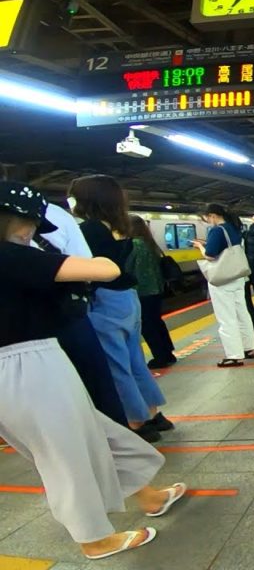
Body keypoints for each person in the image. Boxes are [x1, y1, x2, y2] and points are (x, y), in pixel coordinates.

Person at [0, 181, 186, 560]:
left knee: (94, 434)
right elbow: (104, 268)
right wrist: (53, 249)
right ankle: (93, 538)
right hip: (24, 365)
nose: (33, 232)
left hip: (33, 359)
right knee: (64, 453)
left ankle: (147, 497)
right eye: (31, 224)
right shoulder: (10, 256)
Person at [69, 175, 171, 443]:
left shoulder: (89, 229)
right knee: (135, 358)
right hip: (127, 297)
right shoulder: (118, 225)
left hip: (104, 299)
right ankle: (153, 413)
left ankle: (136, 422)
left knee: (116, 363)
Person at [35, 203, 129, 428]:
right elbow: (100, 269)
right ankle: (115, 444)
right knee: (97, 383)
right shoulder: (53, 213)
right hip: (64, 316)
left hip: (27, 332)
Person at [194, 204, 254, 367]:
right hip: (237, 277)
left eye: (207, 218)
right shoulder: (233, 227)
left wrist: (200, 246)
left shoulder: (217, 230)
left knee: (226, 317)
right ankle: (248, 347)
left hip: (223, 279)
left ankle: (234, 355)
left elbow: (209, 256)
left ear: (213, 216)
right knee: (242, 312)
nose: (208, 222)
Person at [126, 216, 177, 369]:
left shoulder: (133, 245)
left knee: (147, 325)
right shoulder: (149, 243)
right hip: (156, 288)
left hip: (142, 290)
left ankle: (160, 357)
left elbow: (128, 268)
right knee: (157, 321)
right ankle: (168, 353)